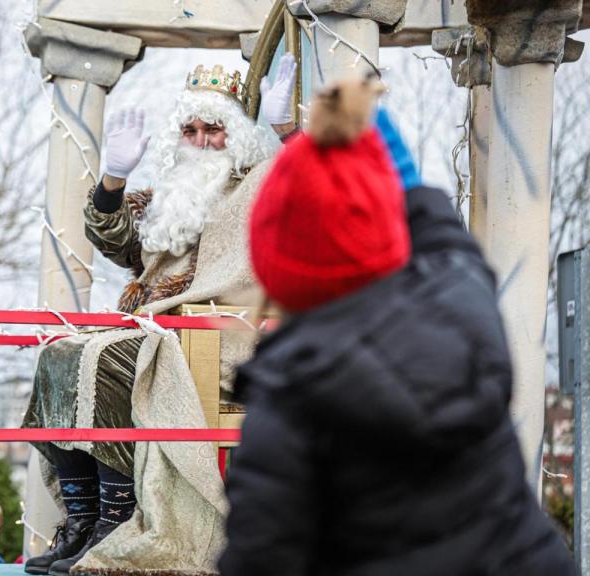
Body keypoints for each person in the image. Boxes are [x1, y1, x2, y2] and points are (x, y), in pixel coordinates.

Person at [219, 77, 577, 575]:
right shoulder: (463, 304)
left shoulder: (292, 398)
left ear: (276, 266)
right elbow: (445, 242)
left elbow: (260, 556)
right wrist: (401, 187)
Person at [22, 57, 296, 576]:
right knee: (58, 354)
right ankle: (85, 523)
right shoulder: (174, 192)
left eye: (213, 128)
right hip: (157, 327)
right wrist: (113, 180)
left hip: (224, 335)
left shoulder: (264, 183)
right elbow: (124, 245)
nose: (200, 140)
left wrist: (287, 131)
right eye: (189, 129)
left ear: (235, 131)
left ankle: (120, 521)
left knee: (106, 360)